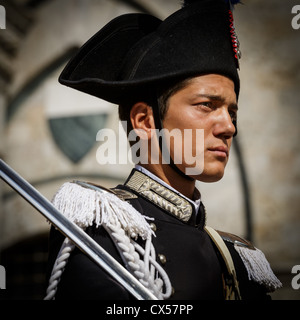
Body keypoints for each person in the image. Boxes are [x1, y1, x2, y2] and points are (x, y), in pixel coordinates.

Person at [45, 0, 282, 300]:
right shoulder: (101, 231)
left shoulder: (235, 260)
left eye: (232, 113)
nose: (229, 127)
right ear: (145, 121)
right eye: (206, 105)